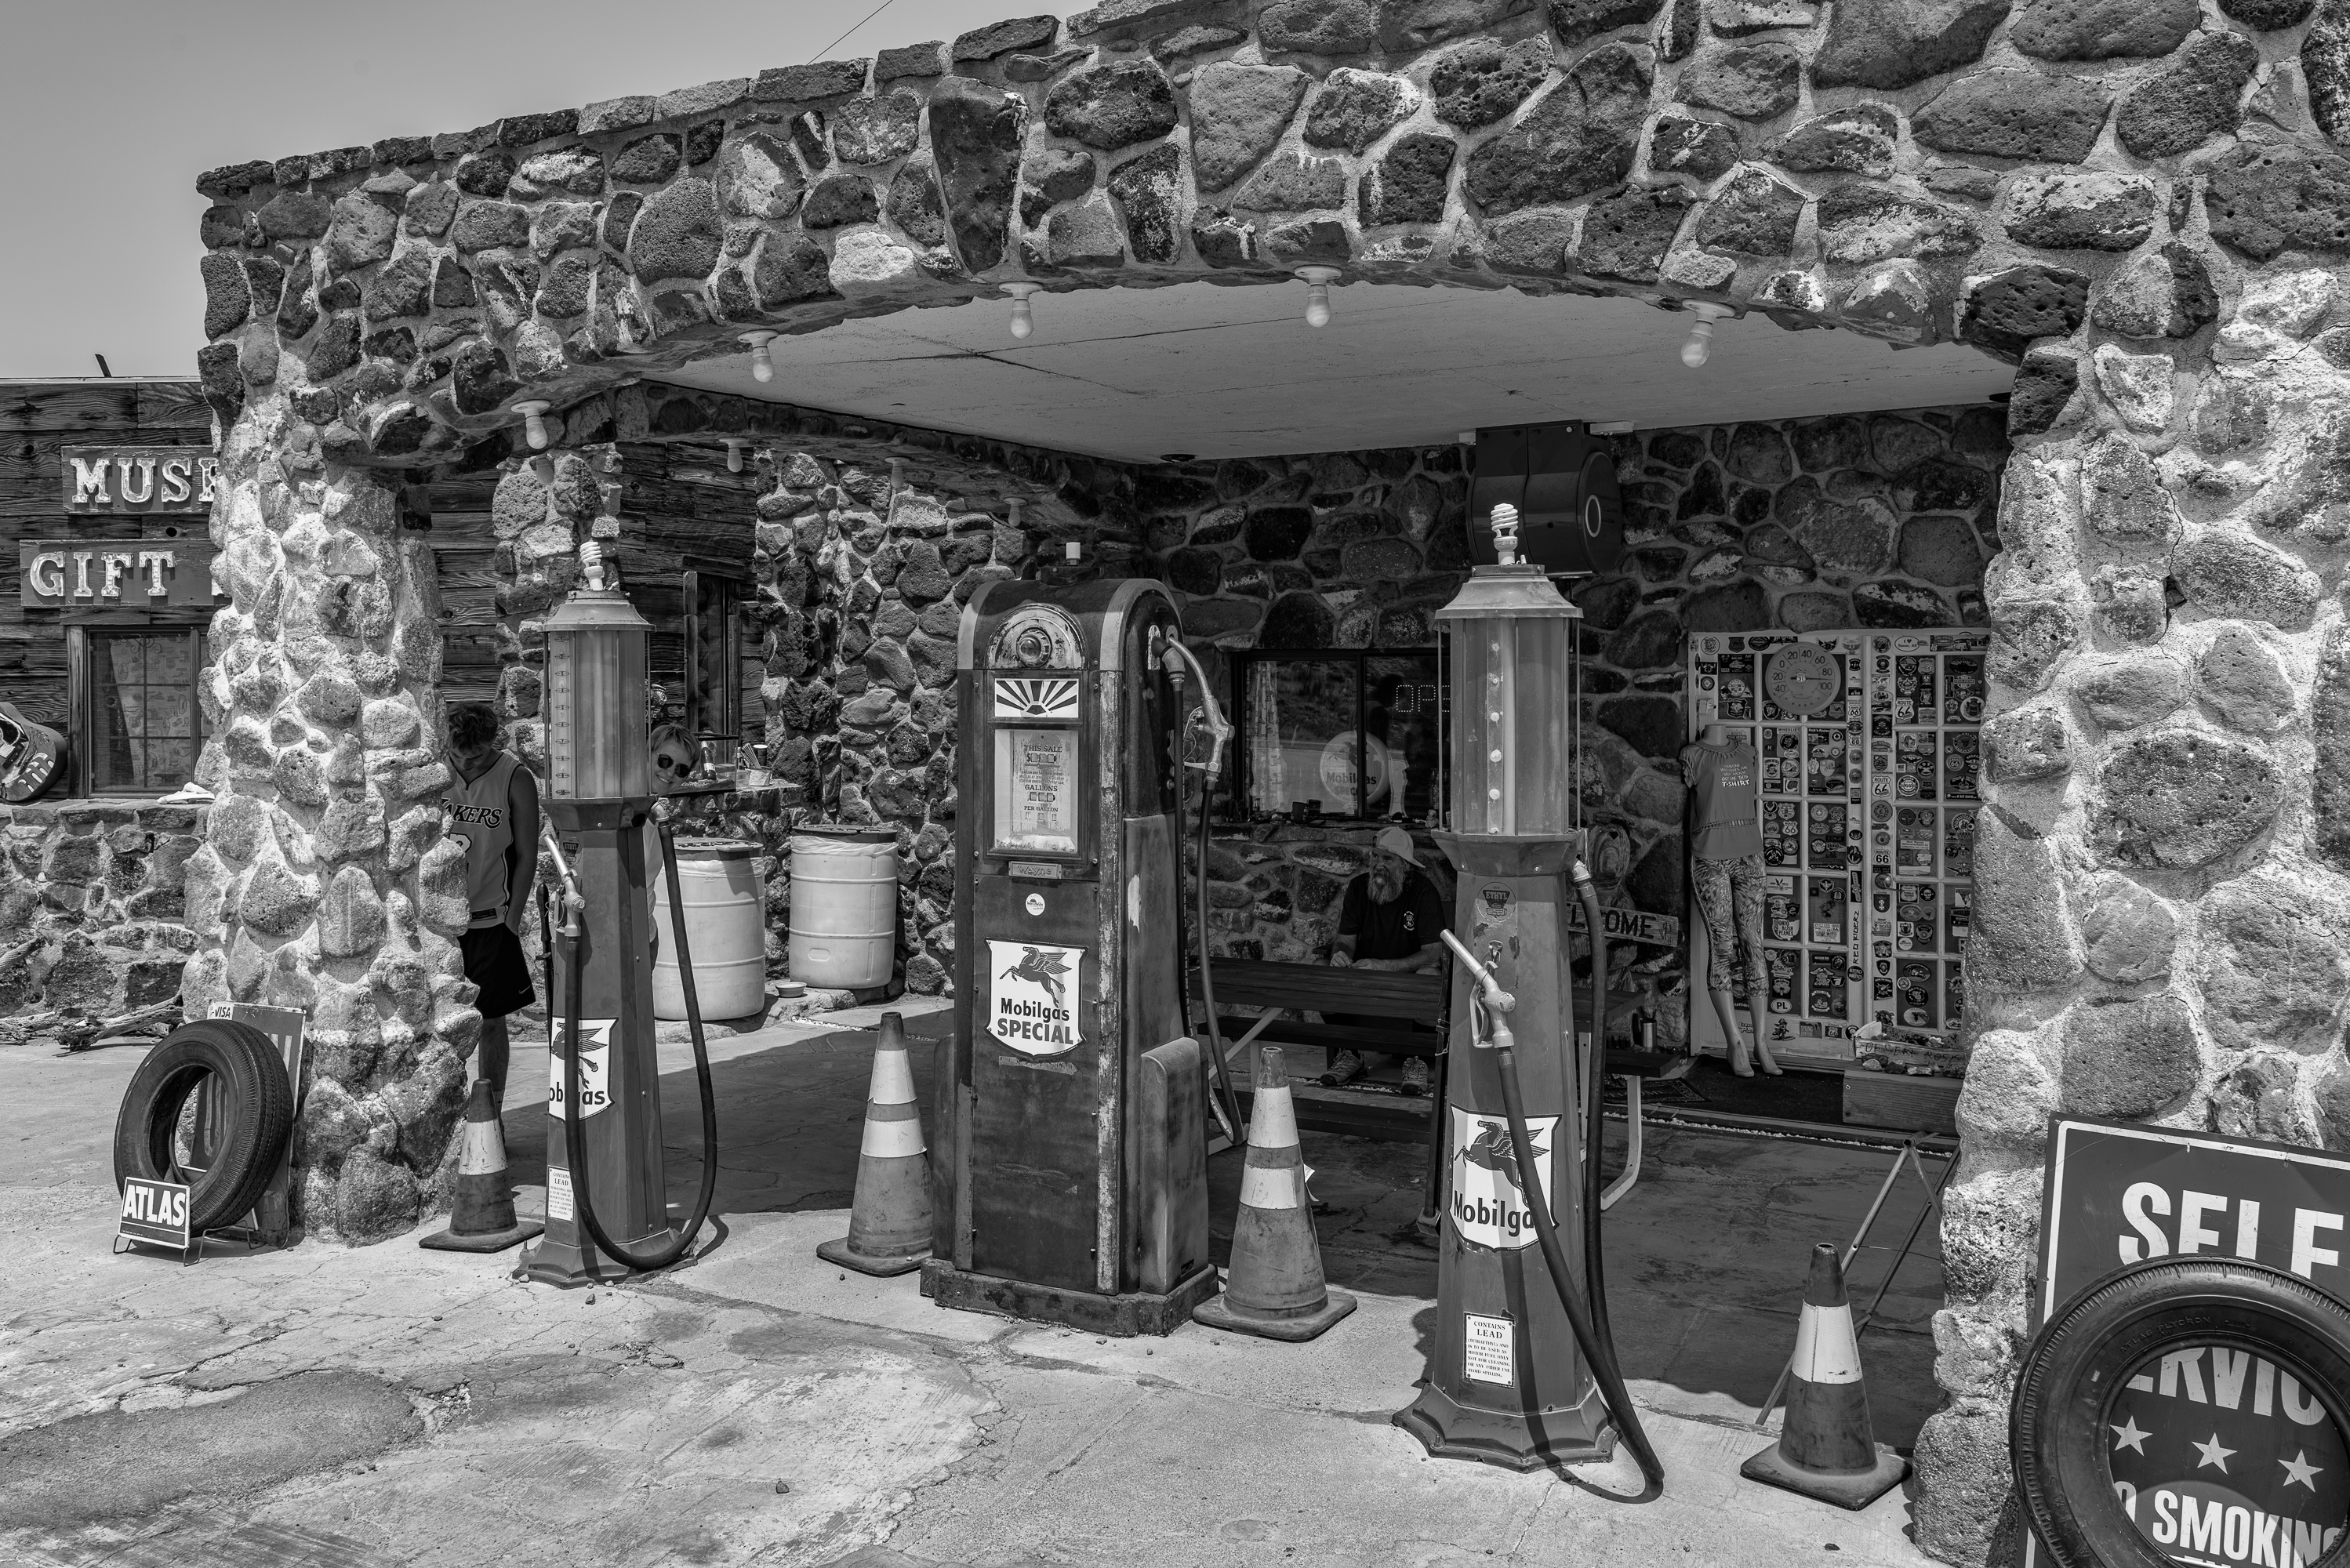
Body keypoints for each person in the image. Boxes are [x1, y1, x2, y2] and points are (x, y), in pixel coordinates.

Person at [439, 702, 540, 1109]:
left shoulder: (515, 778)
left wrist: (512, 923)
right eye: (458, 754)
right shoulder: (433, 770)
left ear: (492, 742)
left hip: (489, 921)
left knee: (492, 1022)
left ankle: (491, 1117)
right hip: (437, 924)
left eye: (475, 755)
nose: (464, 762)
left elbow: (528, 855)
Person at [1680, 720, 1782, 1077]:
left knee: (1753, 942)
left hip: (1750, 855)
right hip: (1710, 858)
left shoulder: (1748, 752)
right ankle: (1734, 1041)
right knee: (1722, 945)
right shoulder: (1692, 755)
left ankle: (1762, 1041)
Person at [1320, 825, 1448, 1095]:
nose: (1378, 865)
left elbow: (1433, 953)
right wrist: (1340, 954)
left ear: (1405, 866)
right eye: (1375, 857)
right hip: (1365, 974)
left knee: (1429, 977)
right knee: (1323, 973)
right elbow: (1345, 939)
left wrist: (1383, 965)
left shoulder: (1424, 893)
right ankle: (1350, 1053)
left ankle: (1417, 1060)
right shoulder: (1358, 888)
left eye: (1387, 859)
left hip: (1408, 975)